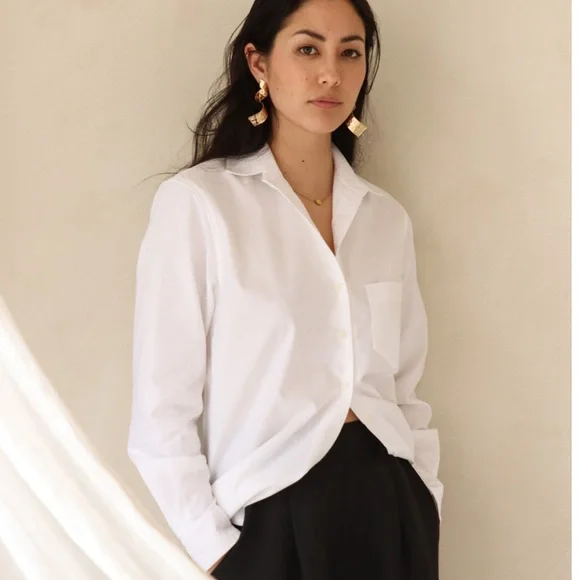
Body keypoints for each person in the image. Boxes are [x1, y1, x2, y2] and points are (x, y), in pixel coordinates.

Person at [128, 0, 443, 578]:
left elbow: (404, 389)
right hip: (272, 515)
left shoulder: (384, 218)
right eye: (307, 49)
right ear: (259, 64)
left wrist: (425, 496)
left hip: (390, 507)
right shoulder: (201, 205)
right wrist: (218, 551)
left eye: (350, 53)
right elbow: (160, 410)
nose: (331, 74)